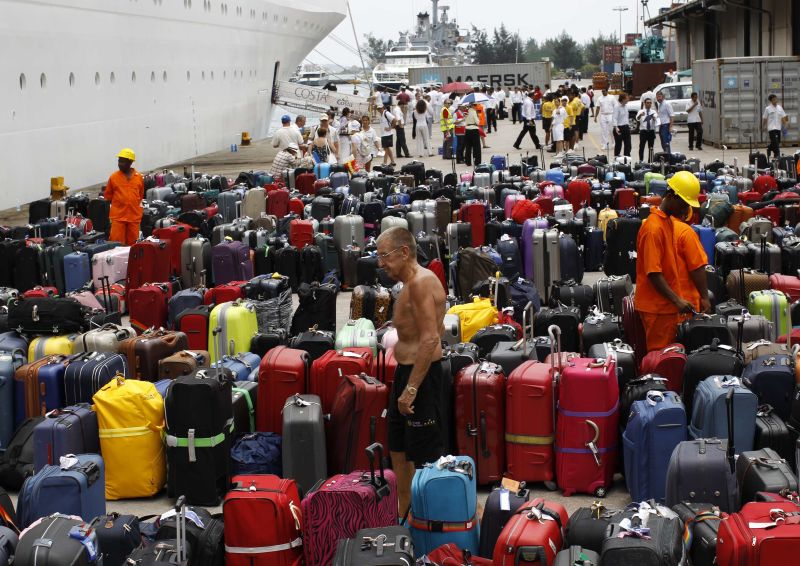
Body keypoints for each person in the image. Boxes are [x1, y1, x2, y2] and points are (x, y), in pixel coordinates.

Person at [377, 226, 447, 517]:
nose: (381, 263)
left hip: (422, 377)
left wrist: (412, 388)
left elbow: (430, 339)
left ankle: (433, 520)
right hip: (406, 373)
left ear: (404, 252)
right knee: (398, 447)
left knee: (426, 456)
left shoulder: (420, 283)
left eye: (385, 256)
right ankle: (404, 513)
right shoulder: (408, 284)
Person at [635, 171, 701, 351]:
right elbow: (653, 273)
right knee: (661, 358)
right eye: (684, 204)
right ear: (671, 196)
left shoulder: (666, 222)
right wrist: (677, 300)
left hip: (665, 306)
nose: (686, 211)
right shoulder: (653, 228)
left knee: (671, 356)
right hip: (657, 308)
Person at [105, 148, 145, 246]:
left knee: (133, 245)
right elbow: (108, 197)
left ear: (130, 162)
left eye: (122, 161)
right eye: (119, 161)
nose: (119, 164)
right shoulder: (113, 177)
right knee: (116, 245)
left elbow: (140, 196)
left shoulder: (138, 178)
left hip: (134, 218)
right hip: (118, 218)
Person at [672, 217, 711, 314]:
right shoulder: (685, 231)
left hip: (654, 305)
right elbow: (697, 267)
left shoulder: (651, 226)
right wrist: (705, 298)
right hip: (684, 304)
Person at [763, 94, 788, 159]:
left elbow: (784, 116)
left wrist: (786, 123)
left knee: (778, 141)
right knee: (775, 142)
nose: (775, 100)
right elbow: (765, 118)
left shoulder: (780, 108)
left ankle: (769, 148)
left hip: (778, 127)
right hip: (771, 128)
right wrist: (763, 126)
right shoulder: (768, 109)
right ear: (771, 101)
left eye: (776, 99)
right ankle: (777, 155)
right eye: (774, 100)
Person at [636, 98, 659, 162]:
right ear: (644, 103)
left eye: (650, 103)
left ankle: (650, 161)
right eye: (647, 103)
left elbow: (656, 118)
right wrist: (640, 115)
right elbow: (637, 118)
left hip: (651, 131)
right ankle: (641, 160)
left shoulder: (653, 112)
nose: (649, 104)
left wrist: (654, 118)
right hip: (643, 131)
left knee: (651, 147)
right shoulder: (641, 111)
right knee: (641, 147)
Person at [613, 93, 632, 157]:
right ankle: (616, 157)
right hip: (619, 128)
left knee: (628, 144)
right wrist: (616, 127)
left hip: (626, 127)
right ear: (623, 99)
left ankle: (626, 158)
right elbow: (614, 118)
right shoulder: (617, 107)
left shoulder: (626, 106)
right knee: (618, 145)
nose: (628, 99)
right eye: (627, 98)